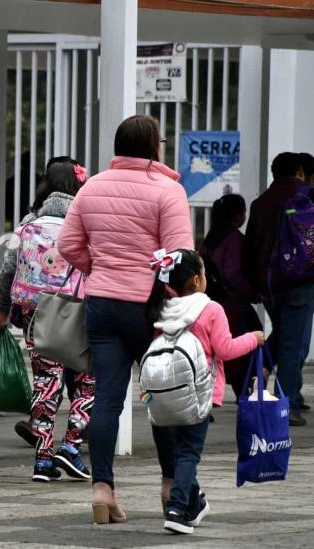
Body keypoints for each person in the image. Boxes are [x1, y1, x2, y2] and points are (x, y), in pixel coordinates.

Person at [58, 114, 194, 523]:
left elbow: (68, 244)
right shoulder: (168, 191)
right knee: (163, 397)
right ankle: (171, 485)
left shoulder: (92, 186)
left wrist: (98, 267)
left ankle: (103, 488)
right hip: (149, 309)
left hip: (101, 303)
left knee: (107, 400)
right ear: (155, 146)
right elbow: (181, 259)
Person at [0, 160, 95, 482]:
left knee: (46, 387)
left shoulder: (29, 222)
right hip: (77, 314)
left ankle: (42, 461)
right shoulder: (85, 221)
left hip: (38, 317)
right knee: (89, 382)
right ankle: (72, 444)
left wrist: (3, 307)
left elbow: (9, 268)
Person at [146, 249, 263, 534]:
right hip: (198, 393)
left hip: (163, 395)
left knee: (180, 451)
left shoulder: (164, 307)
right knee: (189, 454)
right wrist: (253, 339)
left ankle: (194, 502)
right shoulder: (211, 309)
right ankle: (177, 509)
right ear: (198, 279)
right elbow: (225, 349)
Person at [243, 152, 314, 427]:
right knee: (294, 345)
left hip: (270, 284)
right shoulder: (308, 196)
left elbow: (250, 247)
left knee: (283, 335)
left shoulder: (260, 204)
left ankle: (258, 380)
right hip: (301, 281)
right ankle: (287, 403)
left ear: (273, 173)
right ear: (299, 171)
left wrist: (255, 284)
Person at [199, 194, 261, 397]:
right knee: (250, 340)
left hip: (210, 302)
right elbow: (233, 275)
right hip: (233, 304)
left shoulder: (210, 237)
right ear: (238, 216)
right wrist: (255, 294)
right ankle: (245, 390)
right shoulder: (235, 239)